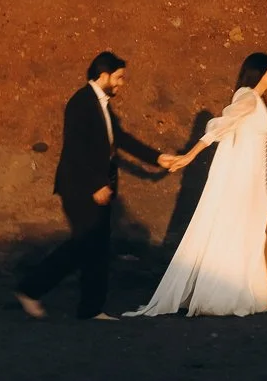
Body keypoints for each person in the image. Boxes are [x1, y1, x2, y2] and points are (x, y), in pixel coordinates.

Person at [126, 52, 267, 317]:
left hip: (255, 183)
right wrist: (190, 155)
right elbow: (218, 128)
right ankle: (264, 296)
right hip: (244, 183)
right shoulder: (247, 98)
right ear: (260, 73)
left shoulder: (258, 100)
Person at [15, 51, 165, 320]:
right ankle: (30, 289)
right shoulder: (81, 102)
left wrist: (157, 158)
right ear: (104, 75)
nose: (122, 83)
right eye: (119, 77)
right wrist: (96, 184)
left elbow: (120, 139)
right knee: (85, 245)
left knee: (96, 248)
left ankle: (90, 309)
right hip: (79, 187)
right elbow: (76, 148)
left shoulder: (102, 105)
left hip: (96, 186)